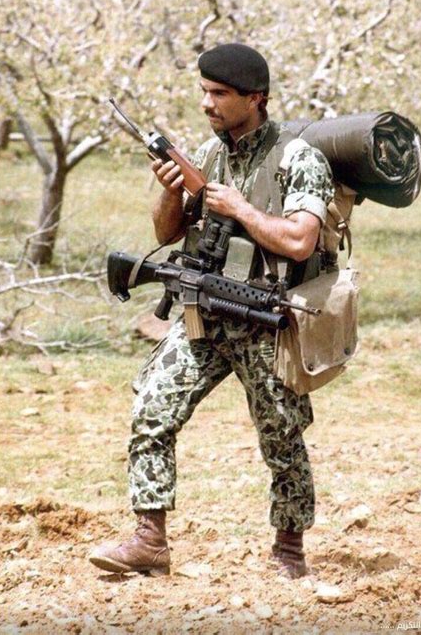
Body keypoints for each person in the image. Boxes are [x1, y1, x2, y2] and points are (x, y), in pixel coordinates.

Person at [89, 43, 334, 579]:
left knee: (281, 436)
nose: (207, 103)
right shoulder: (207, 152)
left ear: (256, 98)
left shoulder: (298, 158)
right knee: (153, 407)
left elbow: (298, 240)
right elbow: (166, 233)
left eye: (219, 94)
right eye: (204, 91)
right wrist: (170, 193)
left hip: (267, 319)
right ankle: (150, 539)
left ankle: (289, 552)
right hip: (206, 311)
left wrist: (240, 209)